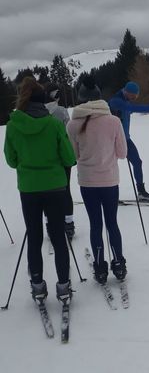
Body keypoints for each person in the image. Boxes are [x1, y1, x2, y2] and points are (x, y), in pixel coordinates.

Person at [3, 77, 75, 304]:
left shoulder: (14, 125)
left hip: (29, 188)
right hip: (54, 186)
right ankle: (63, 286)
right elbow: (69, 157)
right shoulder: (53, 123)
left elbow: (11, 160)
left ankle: (37, 286)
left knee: (34, 238)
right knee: (58, 237)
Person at [67, 77, 128, 284]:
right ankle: (118, 263)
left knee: (95, 225)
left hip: (87, 182)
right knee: (112, 223)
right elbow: (122, 153)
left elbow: (73, 156)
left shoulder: (73, 124)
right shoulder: (113, 121)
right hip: (110, 180)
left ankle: (100, 267)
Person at [108, 81, 149, 201]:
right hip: (111, 140)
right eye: (134, 96)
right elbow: (133, 108)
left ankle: (141, 192)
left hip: (125, 139)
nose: (135, 98)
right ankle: (109, 194)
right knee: (110, 166)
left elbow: (132, 108)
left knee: (137, 162)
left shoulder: (126, 100)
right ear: (127, 92)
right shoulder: (116, 101)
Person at [45, 83, 75, 240]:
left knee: (47, 193)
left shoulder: (38, 112)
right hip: (62, 158)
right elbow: (68, 135)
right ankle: (68, 223)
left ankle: (50, 224)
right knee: (65, 191)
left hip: (45, 159)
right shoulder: (62, 111)